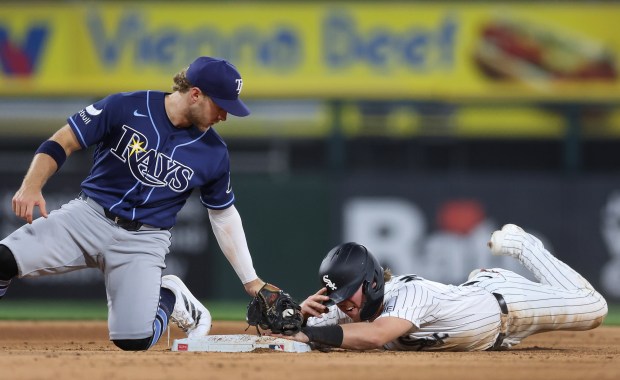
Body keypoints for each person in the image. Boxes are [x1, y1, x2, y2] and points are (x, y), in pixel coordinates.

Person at [0, 56, 284, 351]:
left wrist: (251, 281)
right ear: (196, 94)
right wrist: (32, 185)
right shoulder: (126, 106)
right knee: (4, 259)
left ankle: (170, 295)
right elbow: (64, 140)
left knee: (134, 340)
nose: (224, 116)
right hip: (88, 216)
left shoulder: (214, 153)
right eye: (221, 106)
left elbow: (223, 215)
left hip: (145, 239)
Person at [284, 224, 608, 351]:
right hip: (496, 334)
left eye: (347, 294)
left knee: (594, 308)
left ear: (371, 283)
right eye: (336, 297)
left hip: (507, 303)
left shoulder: (410, 294)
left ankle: (523, 245)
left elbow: (376, 335)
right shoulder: (348, 313)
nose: (343, 305)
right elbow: (292, 336)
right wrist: (298, 314)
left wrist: (310, 333)